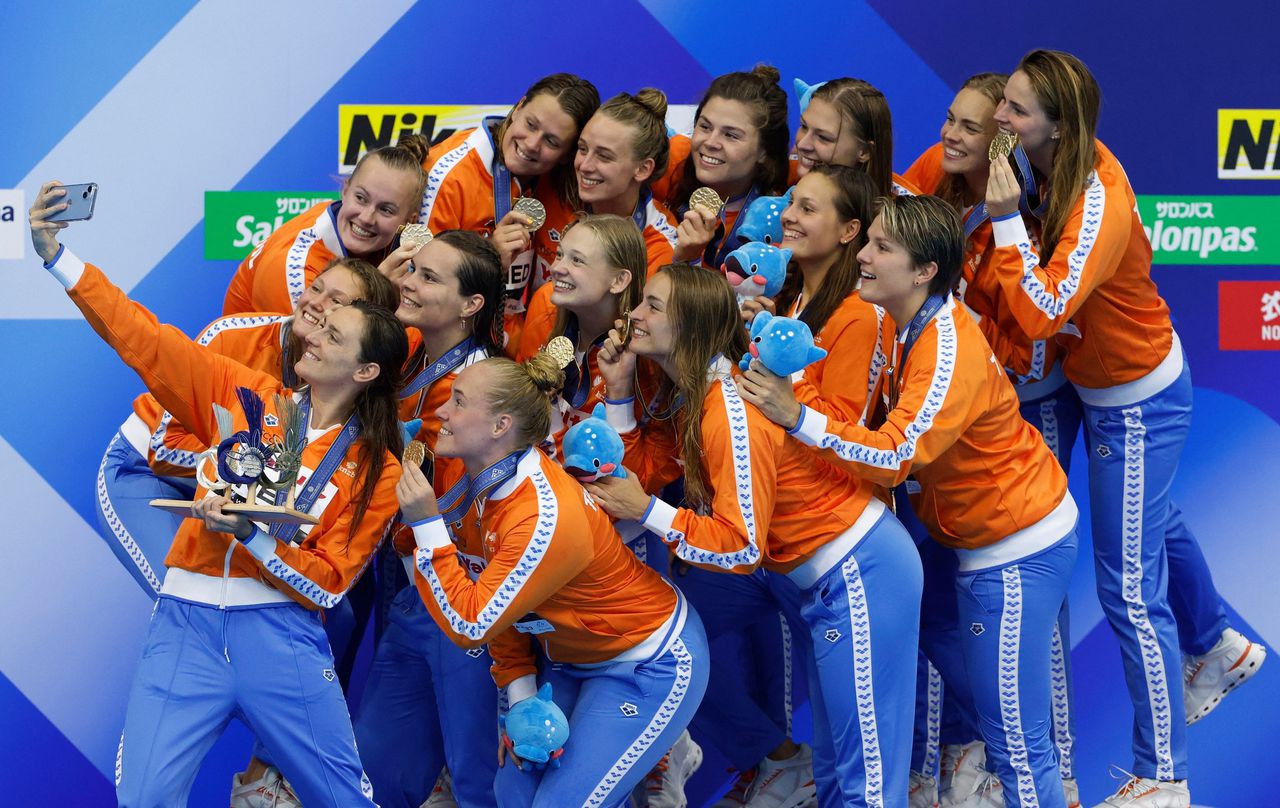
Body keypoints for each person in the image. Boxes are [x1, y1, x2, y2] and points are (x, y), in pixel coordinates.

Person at [30, 181, 407, 807]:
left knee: (344, 800)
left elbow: (329, 586)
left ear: (366, 371)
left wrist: (250, 532)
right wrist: (58, 259)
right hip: (188, 626)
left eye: (334, 335)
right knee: (144, 800)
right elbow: (144, 340)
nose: (311, 334)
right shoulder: (245, 394)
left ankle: (264, 781)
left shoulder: (378, 470)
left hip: (281, 638)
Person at [985, 49, 1265, 807]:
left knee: (1128, 589)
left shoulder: (1097, 196)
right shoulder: (1035, 160)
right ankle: (1220, 642)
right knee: (1148, 515)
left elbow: (1044, 310)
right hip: (1091, 380)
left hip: (1134, 400)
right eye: (1001, 103)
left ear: (1058, 126)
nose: (999, 123)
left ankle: (1163, 779)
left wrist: (1006, 220)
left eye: (1015, 111)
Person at [739, 194, 1079, 807]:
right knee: (1008, 738)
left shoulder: (946, 344)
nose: (862, 256)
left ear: (924, 271)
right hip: (978, 545)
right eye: (867, 240)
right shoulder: (908, 323)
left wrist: (795, 417)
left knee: (1016, 745)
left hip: (1016, 548)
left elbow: (896, 458)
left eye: (881, 248)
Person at [588, 263, 923, 807]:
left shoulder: (728, 408)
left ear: (693, 324)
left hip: (859, 569)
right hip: (823, 571)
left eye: (652, 305)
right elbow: (640, 473)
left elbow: (740, 547)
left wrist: (649, 512)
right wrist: (620, 393)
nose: (634, 316)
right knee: (840, 766)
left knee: (865, 772)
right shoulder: (694, 391)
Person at [396, 349, 709, 807]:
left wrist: (426, 526)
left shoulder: (542, 515)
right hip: (567, 661)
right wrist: (521, 696)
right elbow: (499, 605)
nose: (440, 411)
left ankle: (662, 741)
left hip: (646, 661)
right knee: (513, 794)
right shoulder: (476, 484)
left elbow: (471, 624)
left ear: (501, 426)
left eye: (459, 401)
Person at [905, 72, 1083, 807]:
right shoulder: (939, 184)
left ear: (1006, 143)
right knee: (945, 613)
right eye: (950, 119)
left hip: (1019, 449)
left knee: (1025, 665)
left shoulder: (1025, 219)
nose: (949, 135)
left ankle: (1057, 773)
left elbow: (1038, 337)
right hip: (963, 475)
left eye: (971, 126)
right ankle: (960, 763)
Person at [99, 257, 397, 599]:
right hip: (150, 470)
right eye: (316, 288)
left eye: (337, 304)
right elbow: (164, 447)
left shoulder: (351, 404)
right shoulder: (236, 338)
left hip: (240, 504)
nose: (319, 305)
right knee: (188, 595)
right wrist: (245, 466)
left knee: (325, 611)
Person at [353, 229, 506, 808]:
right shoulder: (406, 353)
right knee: (378, 770)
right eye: (412, 269)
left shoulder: (484, 387)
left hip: (465, 594)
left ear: (471, 306)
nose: (409, 283)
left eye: (428, 277)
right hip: (409, 590)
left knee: (475, 778)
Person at [413, 73, 599, 349]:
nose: (532, 144)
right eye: (530, 124)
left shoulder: (562, 185)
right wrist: (489, 257)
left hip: (513, 343)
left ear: (567, 154)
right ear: (519, 107)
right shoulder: (449, 176)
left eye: (552, 142)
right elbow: (416, 288)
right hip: (448, 348)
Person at [223, 142, 425, 315]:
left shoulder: (396, 247)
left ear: (409, 222)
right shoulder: (295, 271)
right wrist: (382, 292)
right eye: (361, 198)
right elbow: (331, 351)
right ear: (345, 191)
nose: (366, 218)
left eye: (386, 210)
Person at [662, 66, 791, 268]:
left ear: (764, 151)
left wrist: (690, 259)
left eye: (731, 135)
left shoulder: (775, 221)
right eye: (705, 126)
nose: (711, 142)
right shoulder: (669, 166)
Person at [791, 77, 922, 197]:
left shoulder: (905, 217)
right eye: (804, 126)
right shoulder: (784, 174)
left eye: (823, 137)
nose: (802, 144)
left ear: (865, 151)